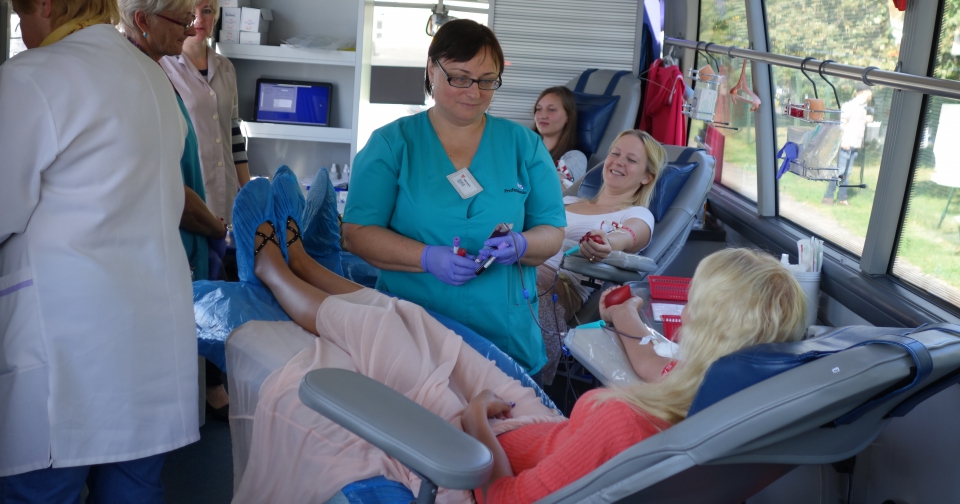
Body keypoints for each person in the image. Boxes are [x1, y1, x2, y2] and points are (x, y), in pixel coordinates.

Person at [229, 173, 806, 503]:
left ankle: (275, 270)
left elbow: (505, 500)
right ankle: (309, 265)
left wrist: (475, 420)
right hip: (538, 430)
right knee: (414, 318)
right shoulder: (720, 401)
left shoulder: (622, 424)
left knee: (380, 328)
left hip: (479, 452)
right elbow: (658, 367)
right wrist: (629, 321)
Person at [0, 0, 197, 501]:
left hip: (68, 342)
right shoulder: (151, 77)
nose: (22, 30)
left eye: (20, 14)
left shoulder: (33, 76)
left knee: (42, 491)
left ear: (43, 1)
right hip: (150, 337)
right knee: (133, 489)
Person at [341, 19, 566, 375]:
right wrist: (426, 257)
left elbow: (552, 230)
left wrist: (523, 244)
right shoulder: (392, 144)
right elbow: (356, 233)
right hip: (413, 334)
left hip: (505, 336)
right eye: (460, 78)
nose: (473, 92)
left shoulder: (525, 146)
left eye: (487, 81)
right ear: (431, 69)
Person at [116, 0, 227, 282]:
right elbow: (166, 190)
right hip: (158, 253)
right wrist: (215, 228)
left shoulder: (152, 72)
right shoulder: (133, 84)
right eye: (181, 21)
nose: (190, 30)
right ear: (143, 20)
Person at [535, 129, 666, 383]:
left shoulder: (637, 215)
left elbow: (628, 235)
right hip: (521, 260)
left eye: (631, 159)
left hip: (556, 284)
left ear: (647, 176)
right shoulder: (568, 200)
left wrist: (607, 241)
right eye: (615, 154)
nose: (619, 162)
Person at [160, 0, 250, 226]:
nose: (199, 19)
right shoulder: (164, 67)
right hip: (189, 188)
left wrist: (248, 190)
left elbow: (233, 132)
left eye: (207, 11)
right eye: (192, 11)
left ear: (215, 17)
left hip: (226, 188)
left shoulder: (226, 68)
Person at [823, 84, 873, 206]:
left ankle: (842, 198)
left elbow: (860, 121)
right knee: (839, 172)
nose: (871, 93)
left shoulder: (864, 107)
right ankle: (828, 197)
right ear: (863, 92)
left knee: (847, 173)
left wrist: (867, 118)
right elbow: (842, 123)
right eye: (870, 91)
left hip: (855, 145)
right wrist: (844, 141)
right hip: (846, 144)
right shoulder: (850, 106)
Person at [532, 86, 587, 187]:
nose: (542, 115)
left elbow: (553, 189)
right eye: (538, 109)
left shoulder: (575, 157)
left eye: (551, 109)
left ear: (569, 116)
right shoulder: (523, 148)